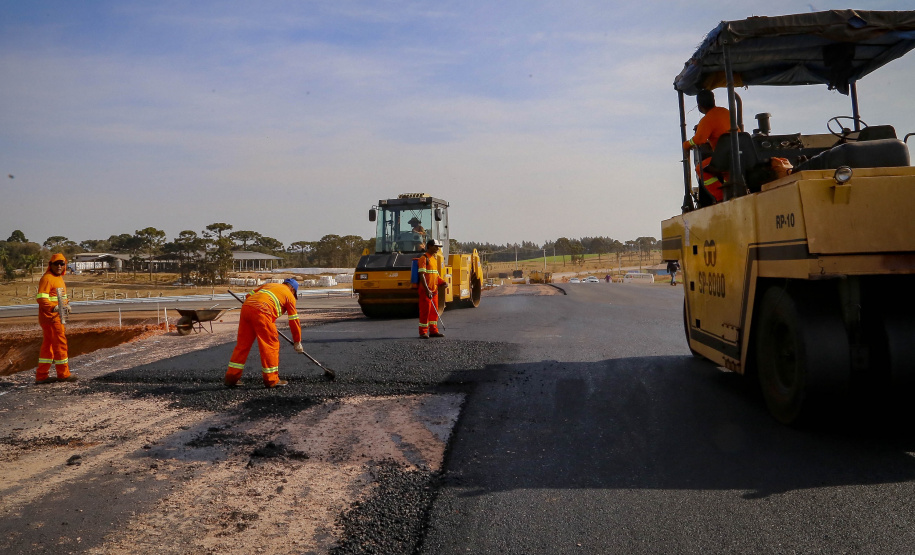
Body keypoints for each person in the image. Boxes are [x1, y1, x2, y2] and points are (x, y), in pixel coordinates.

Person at [225, 278, 303, 388]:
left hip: (247, 308)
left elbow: (248, 296)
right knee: (270, 345)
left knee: (242, 345)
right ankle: (271, 380)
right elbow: (294, 320)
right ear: (293, 290)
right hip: (263, 312)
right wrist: (297, 341)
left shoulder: (270, 285)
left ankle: (231, 378)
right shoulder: (289, 296)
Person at [683, 89, 732, 202]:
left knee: (700, 168)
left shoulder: (707, 119)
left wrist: (686, 144)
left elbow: (698, 140)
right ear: (713, 101)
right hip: (738, 153)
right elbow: (721, 132)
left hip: (724, 157)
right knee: (728, 173)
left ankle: (720, 197)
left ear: (699, 106)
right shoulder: (725, 112)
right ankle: (731, 191)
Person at [35, 253, 75, 383]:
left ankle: (42, 375)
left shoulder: (58, 278)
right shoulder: (47, 278)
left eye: (62, 264)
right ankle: (63, 374)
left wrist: (66, 305)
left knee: (48, 346)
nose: (59, 266)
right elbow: (41, 298)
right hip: (52, 318)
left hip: (54, 317)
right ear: (50, 265)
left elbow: (61, 297)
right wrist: (54, 307)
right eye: (56, 263)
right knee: (60, 344)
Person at [417, 239, 446, 339]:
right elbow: (422, 275)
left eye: (438, 247)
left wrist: (442, 282)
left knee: (434, 312)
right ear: (429, 246)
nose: (437, 249)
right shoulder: (424, 258)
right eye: (436, 246)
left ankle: (433, 331)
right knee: (425, 312)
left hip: (434, 290)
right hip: (426, 291)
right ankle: (423, 332)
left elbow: (435, 275)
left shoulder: (434, 259)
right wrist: (427, 290)